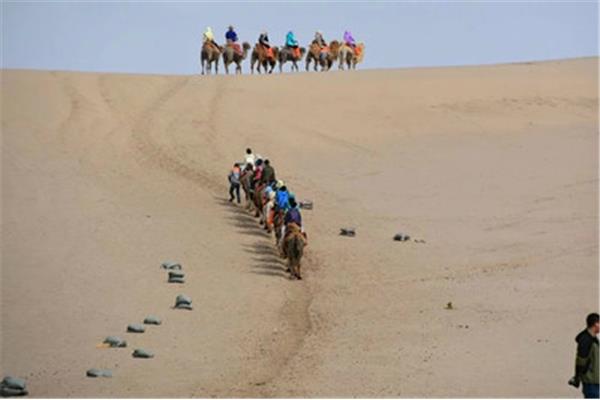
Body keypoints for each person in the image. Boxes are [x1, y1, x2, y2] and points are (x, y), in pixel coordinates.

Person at [570, 313, 599, 398]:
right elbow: (580, 361)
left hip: (595, 382)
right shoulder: (585, 339)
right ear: (596, 324)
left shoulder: (593, 338)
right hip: (591, 383)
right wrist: (577, 377)